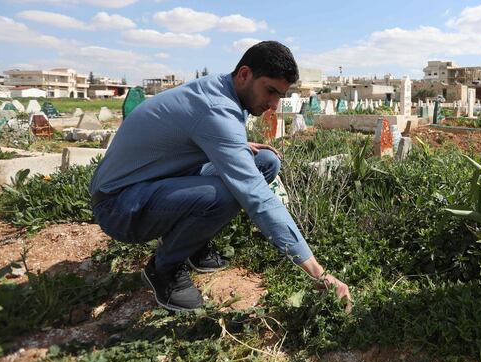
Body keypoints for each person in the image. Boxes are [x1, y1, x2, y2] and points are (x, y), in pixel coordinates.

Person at [89, 41, 352, 312]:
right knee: (227, 194)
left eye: (279, 96)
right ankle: (163, 269)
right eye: (270, 91)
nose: (273, 104)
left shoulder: (220, 87)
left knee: (264, 162)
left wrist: (239, 147)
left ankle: (191, 243)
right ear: (244, 75)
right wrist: (318, 272)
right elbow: (257, 198)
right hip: (119, 204)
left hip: (153, 181)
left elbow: (195, 130)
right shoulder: (217, 108)